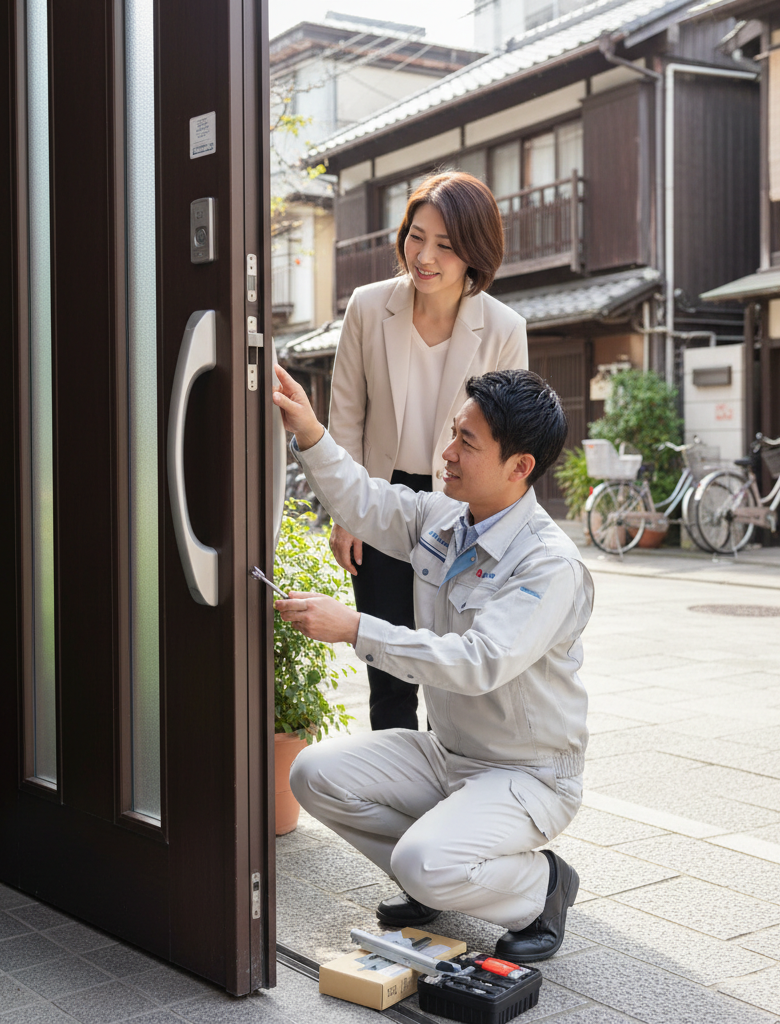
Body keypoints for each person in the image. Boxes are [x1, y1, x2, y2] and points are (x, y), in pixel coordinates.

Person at [271, 362, 592, 963]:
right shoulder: (444, 516)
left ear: (519, 467)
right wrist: (310, 429)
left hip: (528, 775)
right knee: (312, 774)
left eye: (467, 443)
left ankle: (541, 887)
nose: (446, 453)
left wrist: (356, 628)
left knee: (424, 862)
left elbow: (480, 661)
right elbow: (364, 502)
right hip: (448, 752)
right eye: (454, 432)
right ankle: (437, 874)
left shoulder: (549, 565)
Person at [328, 171, 529, 732]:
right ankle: (392, 802)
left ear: (474, 252)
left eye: (445, 244)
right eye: (417, 236)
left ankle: (446, 793)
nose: (425, 256)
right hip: (381, 498)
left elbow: (506, 434)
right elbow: (345, 414)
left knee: (446, 660)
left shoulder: (504, 328)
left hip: (459, 507)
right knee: (387, 666)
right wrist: (349, 514)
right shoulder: (369, 308)